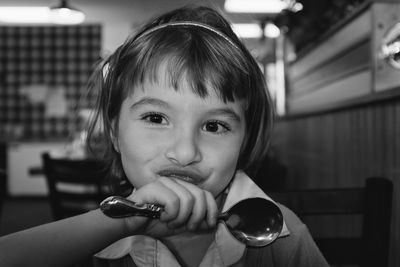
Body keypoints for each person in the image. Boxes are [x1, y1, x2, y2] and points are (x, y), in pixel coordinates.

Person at [0, 5, 329, 267]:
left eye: (214, 126)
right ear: (114, 132)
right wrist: (122, 224)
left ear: (244, 139)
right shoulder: (98, 240)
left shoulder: (283, 236)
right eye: (156, 118)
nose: (185, 153)